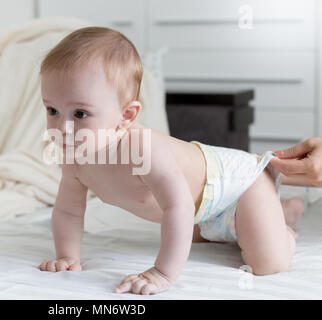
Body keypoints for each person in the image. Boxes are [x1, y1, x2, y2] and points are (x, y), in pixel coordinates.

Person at [37, 26, 304, 295]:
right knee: (205, 237)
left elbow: (178, 207)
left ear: (126, 117)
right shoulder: (74, 158)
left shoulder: (144, 150)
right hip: (202, 209)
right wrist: (67, 256)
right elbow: (69, 211)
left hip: (241, 185)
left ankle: (284, 228)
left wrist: (161, 273)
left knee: (267, 263)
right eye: (53, 110)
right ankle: (280, 210)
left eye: (80, 114)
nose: (62, 127)